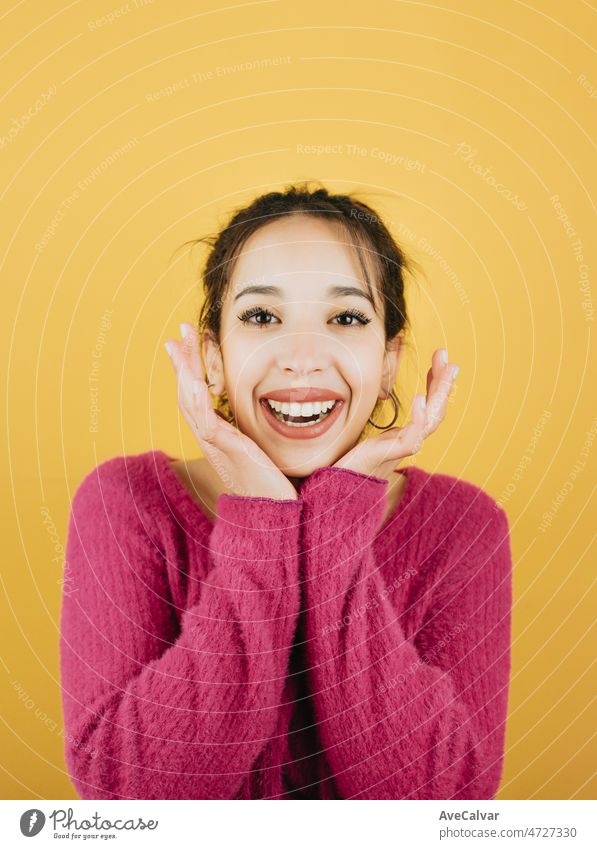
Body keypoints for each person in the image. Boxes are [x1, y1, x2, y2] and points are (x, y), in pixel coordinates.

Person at [60, 183, 512, 800]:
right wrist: (262, 520)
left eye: (347, 318)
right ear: (214, 359)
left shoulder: (464, 525)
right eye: (261, 317)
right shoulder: (124, 505)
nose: (301, 358)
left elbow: (441, 807)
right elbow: (129, 799)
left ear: (388, 363)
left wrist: (338, 520)